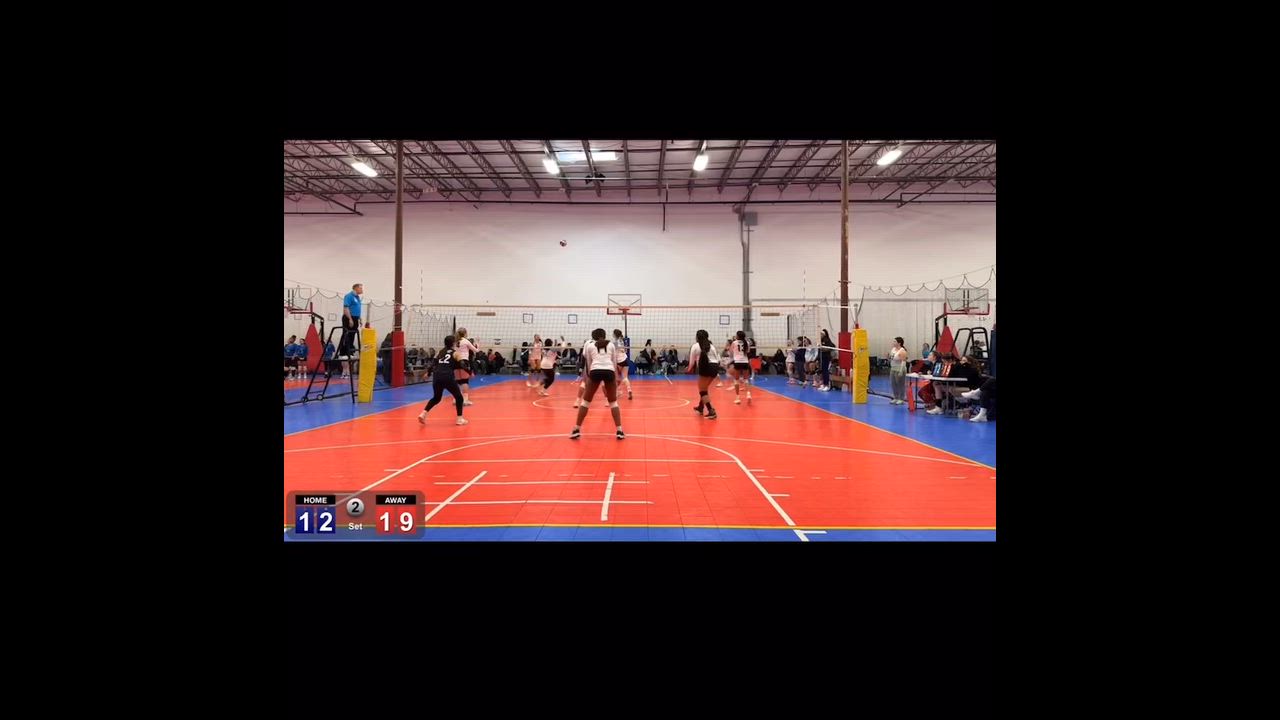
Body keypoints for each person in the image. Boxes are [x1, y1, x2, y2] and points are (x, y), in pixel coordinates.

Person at [570, 328, 625, 440]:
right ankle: (619, 431)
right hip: (609, 371)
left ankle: (576, 429)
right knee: (613, 402)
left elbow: (589, 363)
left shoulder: (590, 346)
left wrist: (589, 377)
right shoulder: (611, 345)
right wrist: (616, 376)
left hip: (595, 371)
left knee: (586, 402)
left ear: (593, 337)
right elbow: (614, 362)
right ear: (604, 336)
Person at [417, 335, 468, 426]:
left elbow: (433, 364)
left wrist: (428, 373)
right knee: (459, 397)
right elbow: (462, 364)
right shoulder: (456, 353)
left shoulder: (439, 352)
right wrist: (469, 371)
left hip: (437, 377)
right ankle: (459, 419)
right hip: (447, 377)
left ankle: (423, 414)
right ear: (453, 343)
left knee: (436, 398)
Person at [688, 329, 721, 420]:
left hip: (706, 367)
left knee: (702, 391)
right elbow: (718, 359)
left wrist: (688, 369)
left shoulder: (695, 346)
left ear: (697, 337)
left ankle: (711, 411)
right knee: (704, 389)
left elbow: (692, 362)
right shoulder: (711, 346)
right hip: (715, 367)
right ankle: (700, 407)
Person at [339, 283, 364, 378]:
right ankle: (344, 351)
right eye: (360, 288)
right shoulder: (349, 296)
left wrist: (359, 318)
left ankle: (350, 351)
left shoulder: (357, 298)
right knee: (347, 336)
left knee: (352, 336)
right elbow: (346, 308)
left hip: (355, 318)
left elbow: (357, 309)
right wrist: (350, 319)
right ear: (356, 288)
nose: (362, 290)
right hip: (349, 318)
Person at [454, 327, 478, 406]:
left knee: (458, 381)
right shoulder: (465, 341)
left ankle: (456, 399)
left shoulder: (455, 341)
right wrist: (477, 344)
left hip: (455, 361)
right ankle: (465, 400)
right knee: (464, 381)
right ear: (465, 333)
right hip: (464, 361)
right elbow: (476, 350)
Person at [729, 330, 753, 405]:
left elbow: (730, 352)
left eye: (736, 335)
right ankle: (748, 394)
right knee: (746, 379)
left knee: (736, 380)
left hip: (737, 362)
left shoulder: (734, 342)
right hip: (745, 362)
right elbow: (747, 352)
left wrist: (734, 356)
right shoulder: (747, 343)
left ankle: (737, 398)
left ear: (738, 336)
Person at [612, 329, 633, 400]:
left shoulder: (615, 343)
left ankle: (618, 392)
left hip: (618, 361)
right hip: (625, 359)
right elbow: (624, 350)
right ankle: (629, 390)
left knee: (616, 378)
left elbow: (613, 353)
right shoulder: (622, 341)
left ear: (614, 335)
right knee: (625, 377)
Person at [888, 336, 909, 405]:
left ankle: (901, 398)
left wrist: (901, 371)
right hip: (893, 368)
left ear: (899, 343)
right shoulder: (893, 349)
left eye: (895, 341)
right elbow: (891, 358)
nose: (893, 342)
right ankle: (895, 397)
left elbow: (903, 361)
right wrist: (888, 357)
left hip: (899, 369)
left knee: (900, 384)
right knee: (893, 384)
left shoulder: (902, 351)